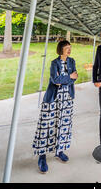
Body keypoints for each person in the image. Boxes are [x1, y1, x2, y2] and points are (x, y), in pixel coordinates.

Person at [32, 40, 78, 173]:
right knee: (46, 126)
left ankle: (59, 151)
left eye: (70, 48)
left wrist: (64, 78)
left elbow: (75, 77)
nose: (69, 50)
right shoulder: (54, 63)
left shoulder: (72, 61)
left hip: (67, 99)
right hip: (53, 99)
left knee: (63, 125)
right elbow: (55, 80)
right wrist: (68, 77)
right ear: (61, 49)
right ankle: (42, 156)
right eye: (66, 48)